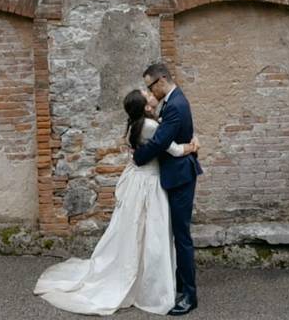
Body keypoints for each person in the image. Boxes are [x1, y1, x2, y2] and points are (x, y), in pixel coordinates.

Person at [34, 88, 199, 316]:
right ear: (145, 106)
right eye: (146, 93)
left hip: (138, 180)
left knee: (136, 230)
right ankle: (148, 284)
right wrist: (193, 145)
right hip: (148, 184)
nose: (149, 93)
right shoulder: (150, 127)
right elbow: (173, 149)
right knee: (151, 232)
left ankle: (142, 274)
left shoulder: (137, 124)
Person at [132, 62, 202, 316]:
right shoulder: (174, 101)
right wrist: (193, 144)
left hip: (180, 177)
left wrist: (138, 158)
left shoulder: (175, 105)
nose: (150, 91)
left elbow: (161, 141)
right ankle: (181, 284)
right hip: (177, 174)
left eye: (150, 85)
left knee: (182, 236)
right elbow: (180, 135)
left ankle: (189, 296)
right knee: (177, 234)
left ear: (161, 80)